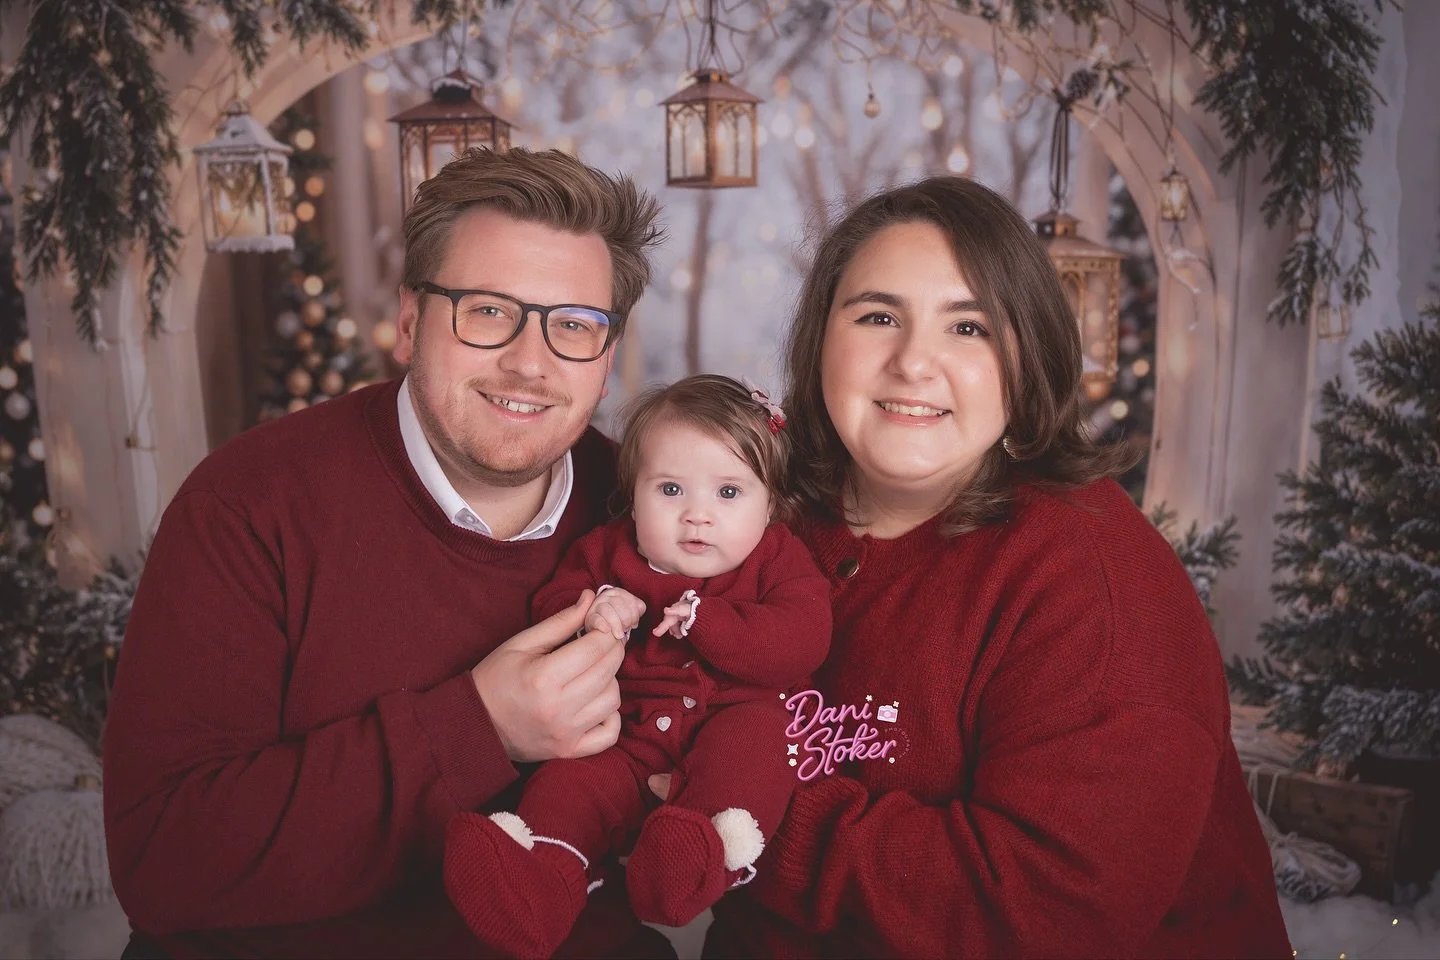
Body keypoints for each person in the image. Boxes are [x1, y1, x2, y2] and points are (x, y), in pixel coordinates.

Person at [690, 177, 1294, 958]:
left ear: (1025, 354)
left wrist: (749, 815)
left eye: (968, 327)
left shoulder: (1096, 581)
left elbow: (1048, 916)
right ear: (821, 342)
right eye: (878, 316)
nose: (913, 363)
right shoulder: (764, 522)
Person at [102, 148, 675, 959]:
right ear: (409, 323)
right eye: (485, 312)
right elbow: (160, 860)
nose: (530, 362)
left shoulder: (647, 512)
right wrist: (479, 728)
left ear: (607, 360)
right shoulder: (250, 503)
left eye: (574, 326)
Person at [444, 374, 832, 957]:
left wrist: (710, 622)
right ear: (633, 496)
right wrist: (595, 607)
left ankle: (691, 858)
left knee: (758, 750)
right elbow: (550, 604)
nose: (697, 516)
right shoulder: (609, 551)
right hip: (623, 733)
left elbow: (799, 642)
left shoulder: (778, 560)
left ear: (771, 504)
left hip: (731, 717)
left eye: (729, 493)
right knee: (570, 783)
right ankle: (536, 878)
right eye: (670, 490)